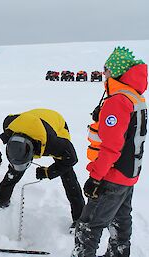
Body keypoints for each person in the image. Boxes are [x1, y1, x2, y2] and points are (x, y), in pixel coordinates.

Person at [72, 47, 148, 257]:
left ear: (114, 71)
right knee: (120, 224)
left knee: (88, 227)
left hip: (112, 175)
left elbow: (112, 147)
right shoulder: (135, 97)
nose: (103, 73)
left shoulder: (117, 101)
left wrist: (95, 178)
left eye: (106, 69)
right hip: (129, 175)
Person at [0, 108, 85, 230]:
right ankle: (2, 199)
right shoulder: (10, 127)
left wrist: (48, 172)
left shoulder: (55, 144)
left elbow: (71, 159)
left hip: (56, 124)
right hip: (31, 122)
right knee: (14, 171)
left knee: (67, 174)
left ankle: (80, 218)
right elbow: (11, 117)